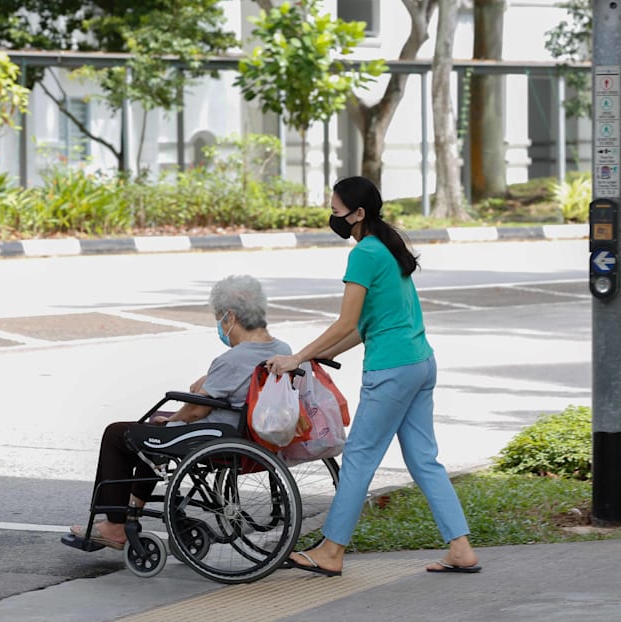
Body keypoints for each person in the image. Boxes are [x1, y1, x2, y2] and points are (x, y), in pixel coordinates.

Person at [266, 176, 480, 576]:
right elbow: (367, 326)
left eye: (336, 211)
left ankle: (331, 551)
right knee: (424, 459)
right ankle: (461, 548)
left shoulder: (364, 253)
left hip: (391, 371)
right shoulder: (388, 247)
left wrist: (297, 356)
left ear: (358, 214)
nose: (332, 218)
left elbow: (346, 320)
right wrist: (321, 354)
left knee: (361, 457)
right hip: (420, 363)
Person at [70, 274, 292, 550]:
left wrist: (173, 419)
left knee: (118, 433)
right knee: (151, 429)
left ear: (231, 316)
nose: (221, 325)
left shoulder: (232, 358)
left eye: (220, 318)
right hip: (248, 434)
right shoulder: (282, 350)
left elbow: (196, 410)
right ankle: (133, 507)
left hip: (213, 437)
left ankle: (115, 525)